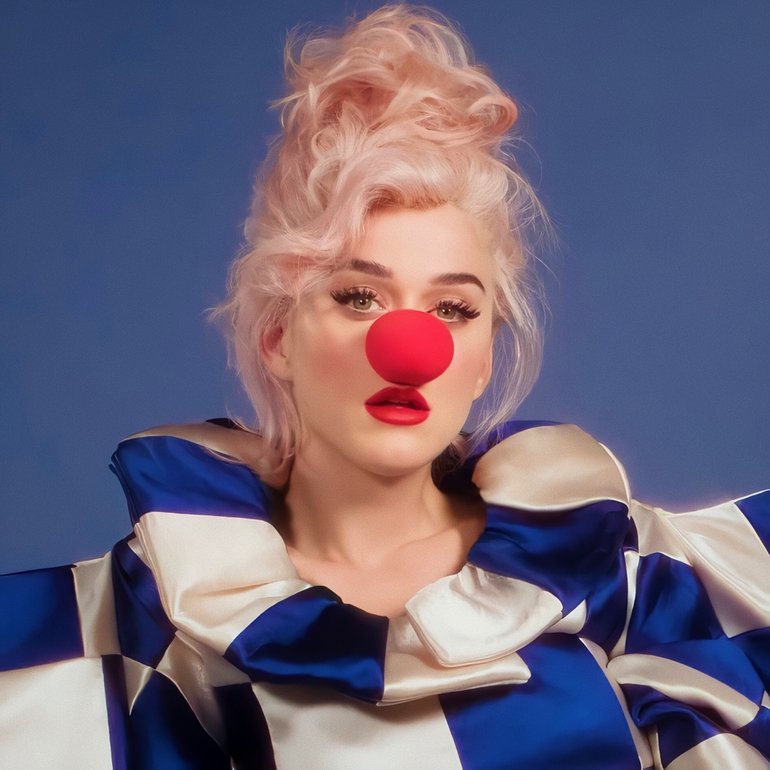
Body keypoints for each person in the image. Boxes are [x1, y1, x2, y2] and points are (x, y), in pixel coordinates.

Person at [1, 5, 768, 769]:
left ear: (483, 361)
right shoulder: (160, 615)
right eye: (359, 297)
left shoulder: (624, 565)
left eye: (453, 309)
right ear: (278, 339)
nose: (411, 349)